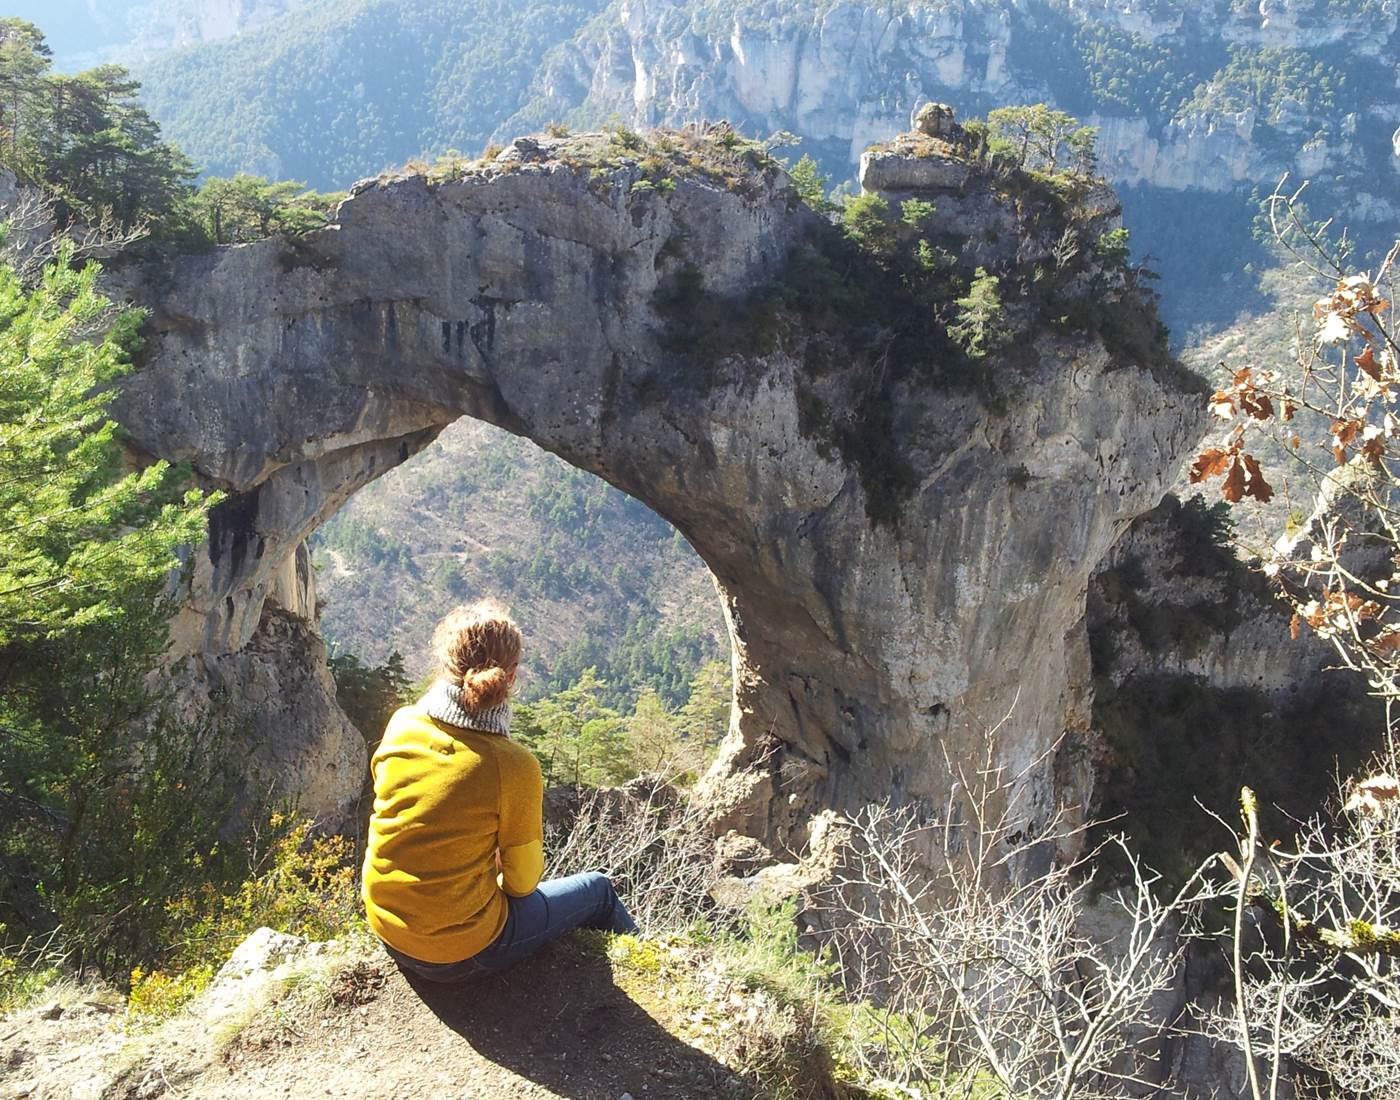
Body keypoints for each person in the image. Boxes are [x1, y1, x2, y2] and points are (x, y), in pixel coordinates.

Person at [361, 600, 638, 981]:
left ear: (445, 662)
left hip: (384, 923)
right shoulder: (512, 765)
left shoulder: (403, 722)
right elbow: (522, 884)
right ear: (511, 676)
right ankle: (654, 973)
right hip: (458, 953)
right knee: (599, 889)